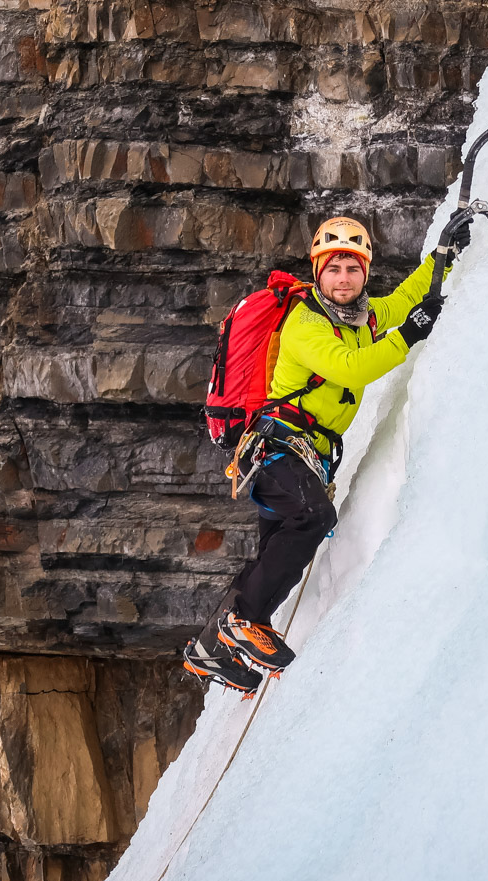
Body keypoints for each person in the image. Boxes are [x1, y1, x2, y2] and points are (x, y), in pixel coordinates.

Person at [183, 214, 468, 692]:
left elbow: (400, 302)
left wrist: (443, 257)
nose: (343, 279)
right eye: (333, 269)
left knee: (275, 551)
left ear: (364, 274)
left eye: (352, 269)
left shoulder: (360, 316)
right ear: (317, 272)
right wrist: (408, 336)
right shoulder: (304, 324)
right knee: (312, 519)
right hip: (277, 448)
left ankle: (210, 648)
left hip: (300, 454)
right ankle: (243, 620)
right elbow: (352, 369)